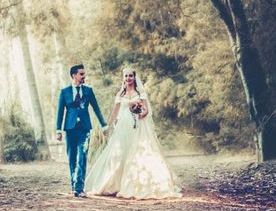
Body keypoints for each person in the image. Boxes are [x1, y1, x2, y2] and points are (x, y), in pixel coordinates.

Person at [85, 68, 182, 199]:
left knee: (138, 153)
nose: (128, 78)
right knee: (121, 153)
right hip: (123, 126)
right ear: (123, 78)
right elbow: (115, 111)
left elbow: (146, 109)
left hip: (138, 126)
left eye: (130, 76)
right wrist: (108, 125)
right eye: (126, 76)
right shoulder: (120, 93)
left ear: (134, 77)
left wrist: (141, 113)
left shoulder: (140, 92)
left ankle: (136, 184)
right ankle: (116, 184)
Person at [56, 64, 108, 197]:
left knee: (82, 156)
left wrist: (104, 125)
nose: (84, 76)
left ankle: (79, 187)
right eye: (81, 74)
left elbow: (96, 108)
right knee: (72, 157)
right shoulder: (65, 92)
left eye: (84, 74)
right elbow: (60, 111)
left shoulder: (88, 91)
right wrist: (58, 129)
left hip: (84, 128)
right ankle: (74, 185)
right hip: (70, 128)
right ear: (74, 75)